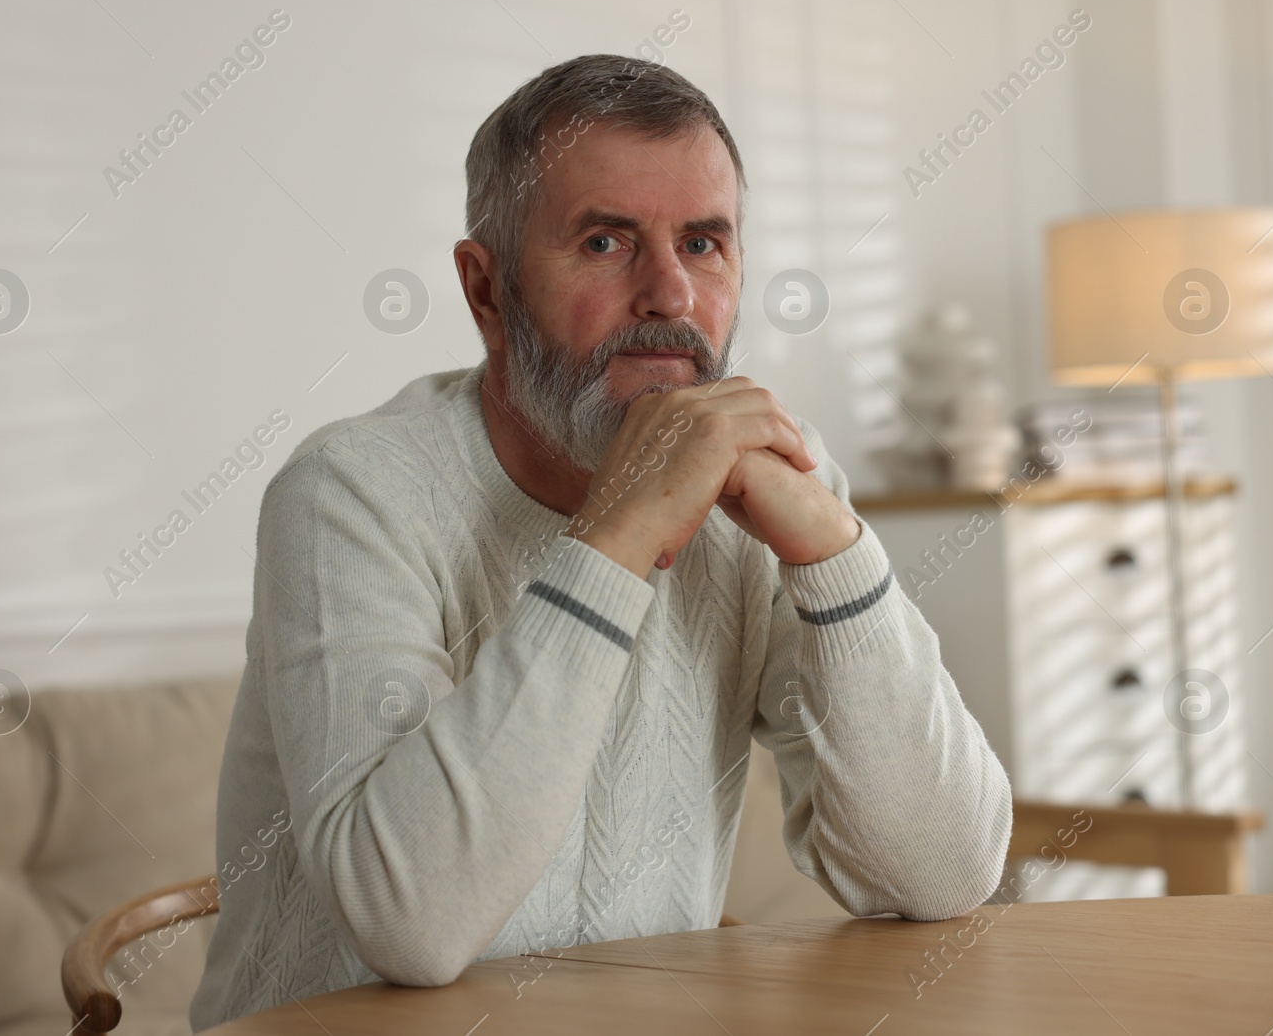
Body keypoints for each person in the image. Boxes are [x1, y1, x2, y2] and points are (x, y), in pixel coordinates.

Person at [190, 52, 1011, 1030]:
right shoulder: (350, 494)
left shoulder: (770, 482)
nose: (668, 294)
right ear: (486, 291)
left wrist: (835, 549)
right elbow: (411, 922)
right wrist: (621, 527)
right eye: (605, 242)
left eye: (704, 243)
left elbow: (944, 870)